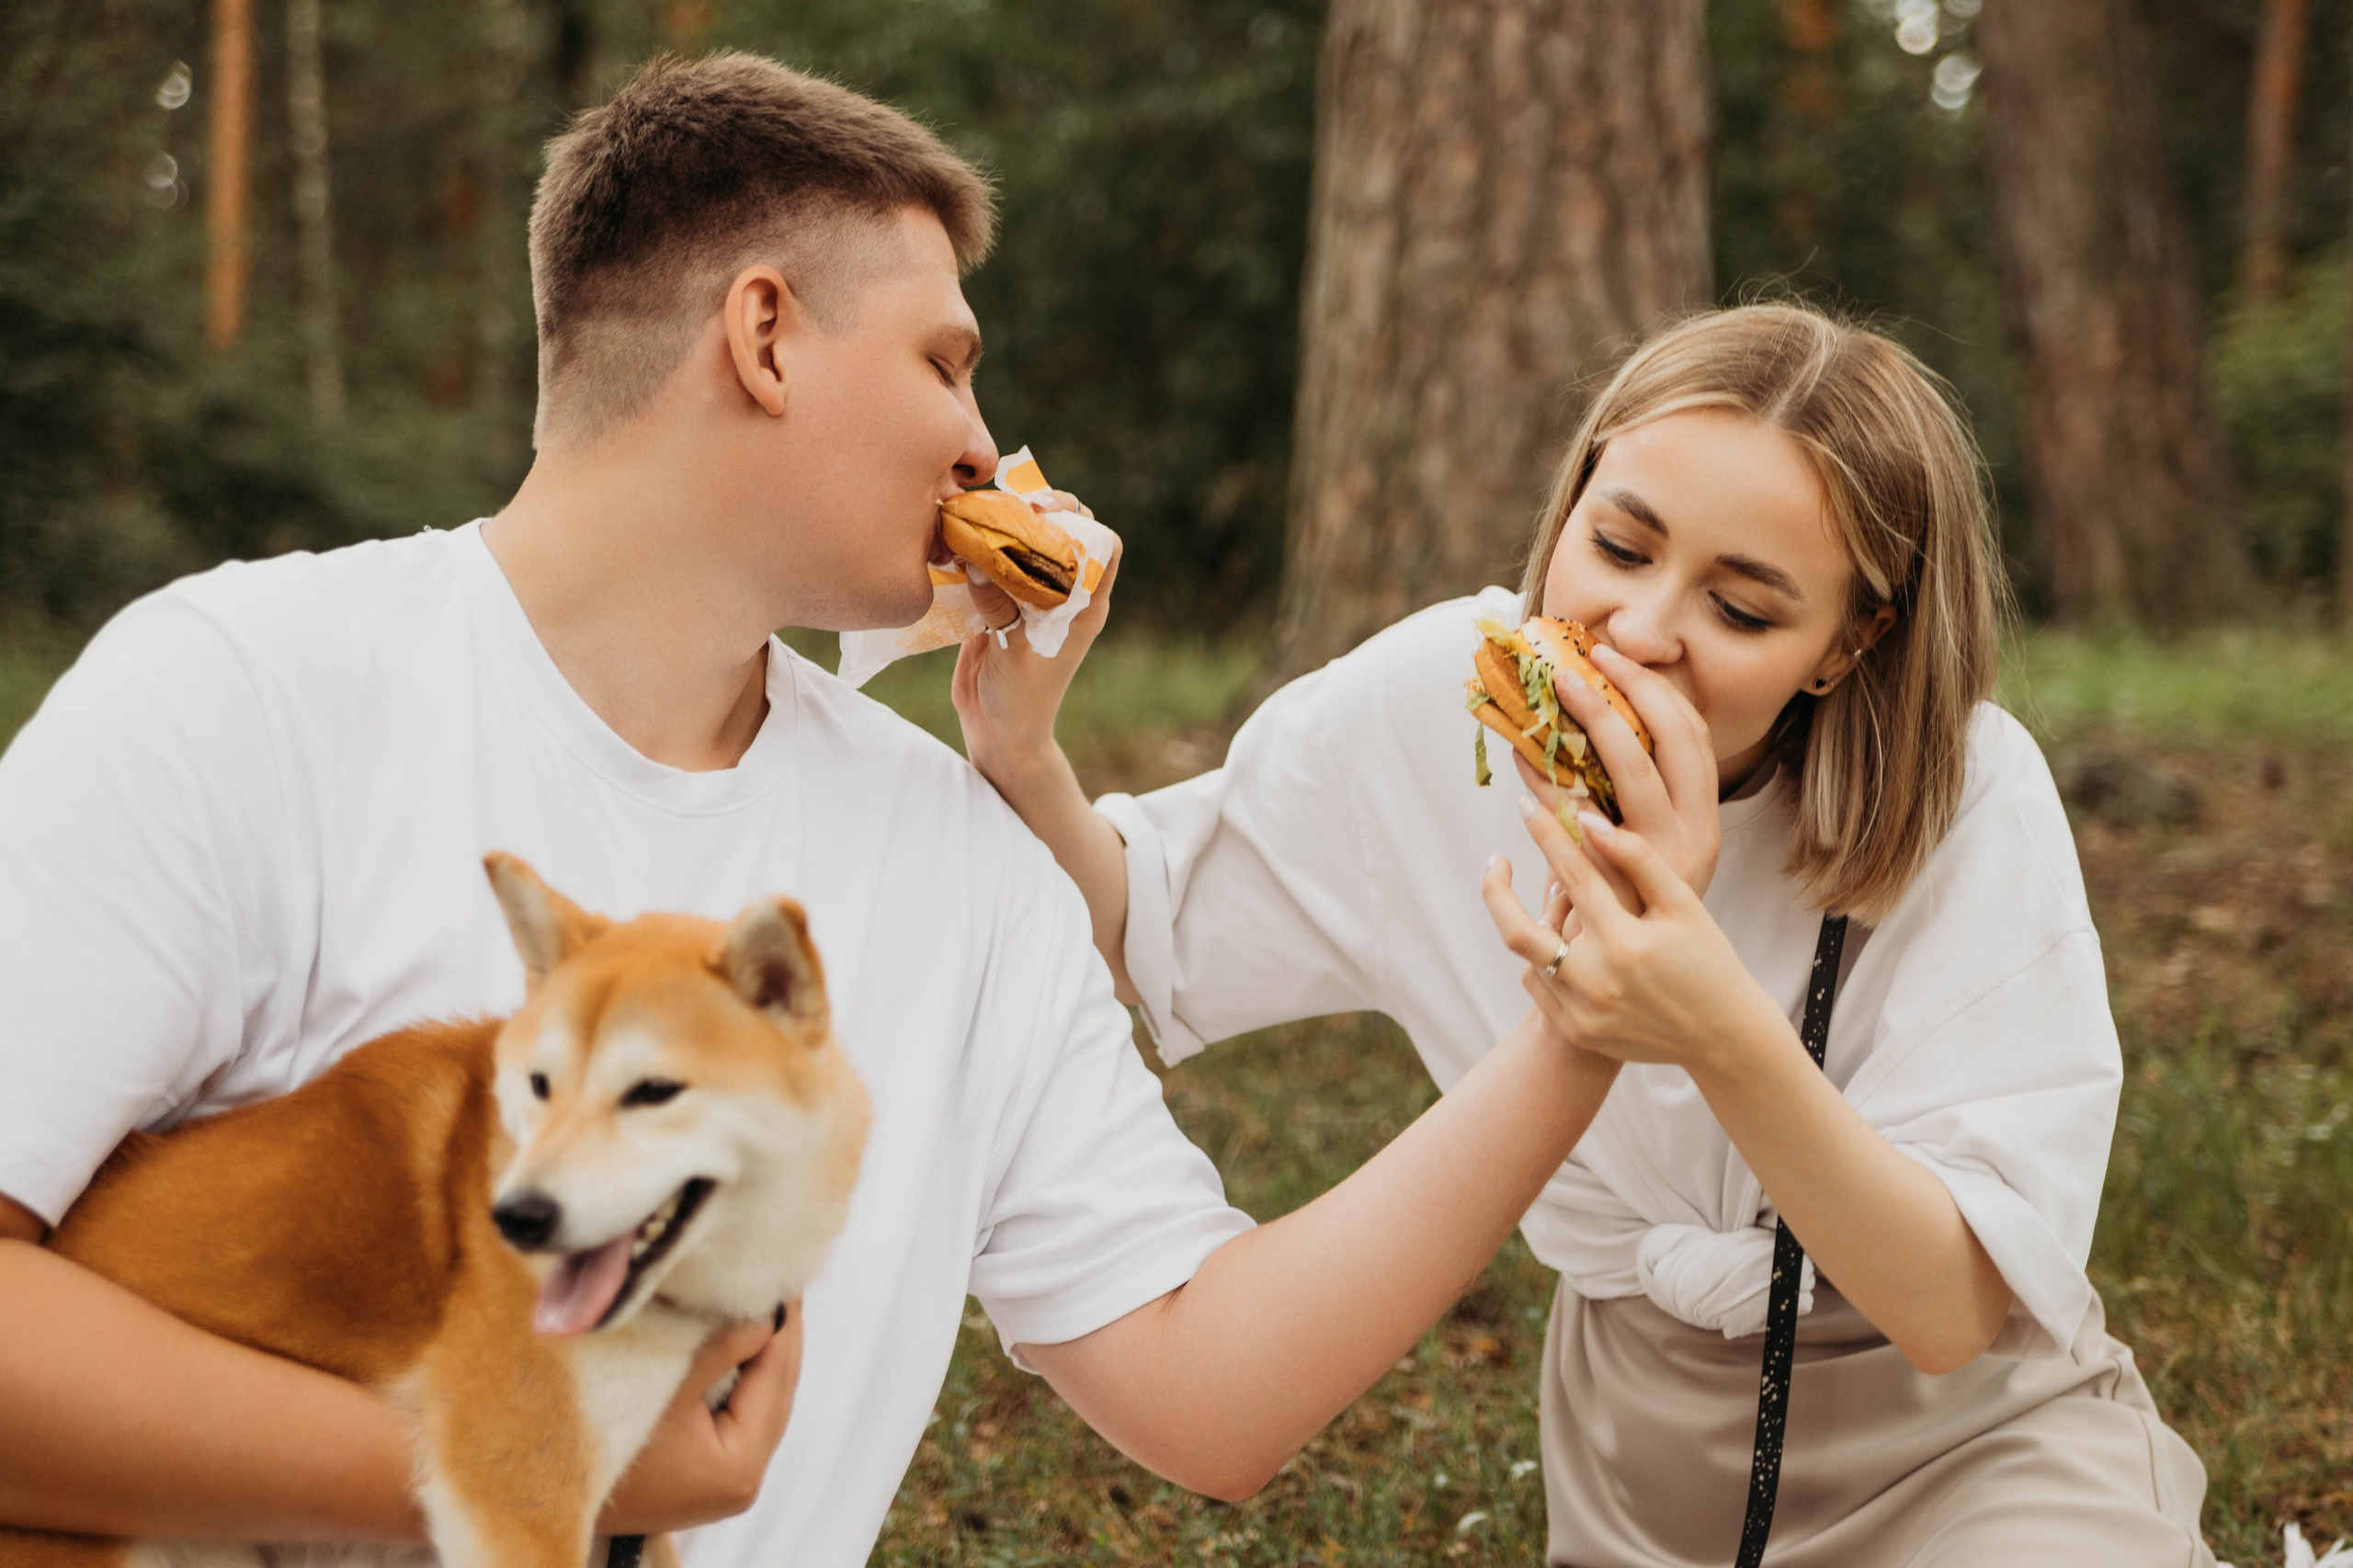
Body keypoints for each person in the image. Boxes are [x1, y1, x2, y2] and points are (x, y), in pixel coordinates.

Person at [0, 51, 1622, 1567]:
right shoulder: (239, 695)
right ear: (765, 336)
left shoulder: (964, 854)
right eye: (945, 360)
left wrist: (1577, 1033)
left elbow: (1212, 1393)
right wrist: (532, 1466)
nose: (988, 442)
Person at [959, 304, 2220, 1564]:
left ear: (1848, 643)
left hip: (1965, 1438)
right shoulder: (1432, 701)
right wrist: (1022, 747)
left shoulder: (1964, 792)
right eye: (1618, 544)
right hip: (1642, 1438)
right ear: (1573, 499)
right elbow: (1140, 919)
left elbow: (1950, 1310)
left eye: (1741, 609)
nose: (1640, 627)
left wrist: (1705, 1019)